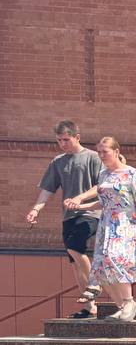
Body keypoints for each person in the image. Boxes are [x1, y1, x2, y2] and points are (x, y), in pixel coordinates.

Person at [65, 136, 136, 322]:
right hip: (107, 224)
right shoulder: (104, 174)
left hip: (126, 223)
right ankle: (122, 307)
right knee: (105, 265)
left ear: (116, 152)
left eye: (105, 152)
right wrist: (80, 206)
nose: (101, 155)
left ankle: (129, 302)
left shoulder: (132, 173)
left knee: (117, 259)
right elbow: (104, 202)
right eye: (99, 152)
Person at [25, 121, 103, 319]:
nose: (62, 144)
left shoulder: (93, 157)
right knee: (74, 261)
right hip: (68, 216)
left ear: (77, 137)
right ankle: (90, 308)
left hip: (90, 212)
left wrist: (80, 199)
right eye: (59, 140)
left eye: (66, 140)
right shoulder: (58, 162)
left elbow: (101, 186)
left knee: (75, 247)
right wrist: (36, 209)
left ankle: (95, 283)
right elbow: (47, 189)